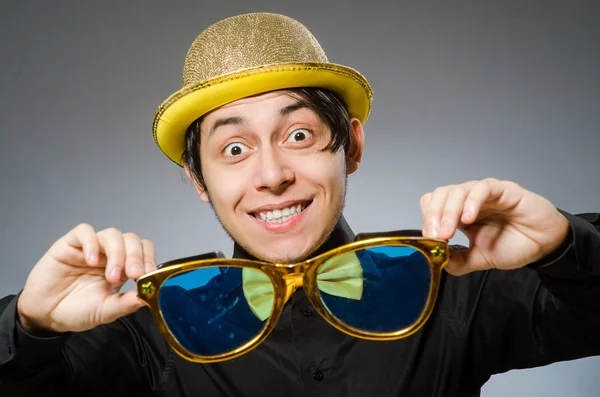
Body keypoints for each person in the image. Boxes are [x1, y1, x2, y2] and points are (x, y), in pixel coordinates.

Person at [1, 12, 599, 397]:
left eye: (299, 135)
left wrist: (567, 245)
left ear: (352, 146)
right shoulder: (146, 324)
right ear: (198, 179)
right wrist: (30, 327)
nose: (271, 175)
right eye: (234, 148)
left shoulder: (456, 281)